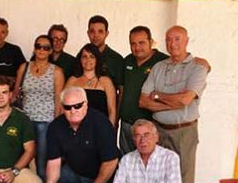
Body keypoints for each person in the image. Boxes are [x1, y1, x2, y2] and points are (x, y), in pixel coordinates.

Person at [139, 25, 208, 183]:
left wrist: (158, 97)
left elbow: (186, 100)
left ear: (187, 40)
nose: (173, 44)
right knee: (158, 177)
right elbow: (143, 100)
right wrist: (171, 99)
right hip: (159, 130)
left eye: (177, 39)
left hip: (184, 130)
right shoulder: (159, 66)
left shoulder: (197, 67)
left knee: (184, 179)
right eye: (168, 40)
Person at [39, 87, 119, 183]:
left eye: (78, 106)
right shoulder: (55, 126)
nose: (73, 110)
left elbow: (111, 162)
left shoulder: (101, 123)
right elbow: (54, 162)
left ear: (86, 105)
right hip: (75, 172)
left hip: (101, 177)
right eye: (68, 107)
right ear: (62, 107)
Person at [13, 35, 64, 181]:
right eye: (38, 46)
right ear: (34, 48)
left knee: (42, 161)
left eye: (46, 47)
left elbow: (58, 100)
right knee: (23, 159)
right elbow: (16, 92)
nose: (41, 50)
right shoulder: (24, 68)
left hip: (46, 122)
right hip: (24, 120)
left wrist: (57, 124)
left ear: (50, 51)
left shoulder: (56, 71)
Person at [118, 26, 168, 154]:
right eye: (133, 44)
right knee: (127, 162)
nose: (137, 47)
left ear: (151, 42)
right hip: (126, 126)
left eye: (141, 43)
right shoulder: (127, 60)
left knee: (148, 164)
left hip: (148, 128)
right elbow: (121, 91)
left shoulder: (163, 61)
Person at [65, 43, 117, 126]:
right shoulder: (72, 80)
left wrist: (109, 132)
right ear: (80, 59)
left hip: (99, 128)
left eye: (92, 57)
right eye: (84, 56)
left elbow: (112, 110)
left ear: (97, 59)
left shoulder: (106, 81)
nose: (88, 60)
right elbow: (64, 107)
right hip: (75, 128)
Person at [87, 15, 124, 88]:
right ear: (88, 33)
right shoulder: (82, 57)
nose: (96, 35)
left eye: (100, 31)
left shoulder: (116, 59)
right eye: (92, 31)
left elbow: (121, 89)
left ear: (106, 34)